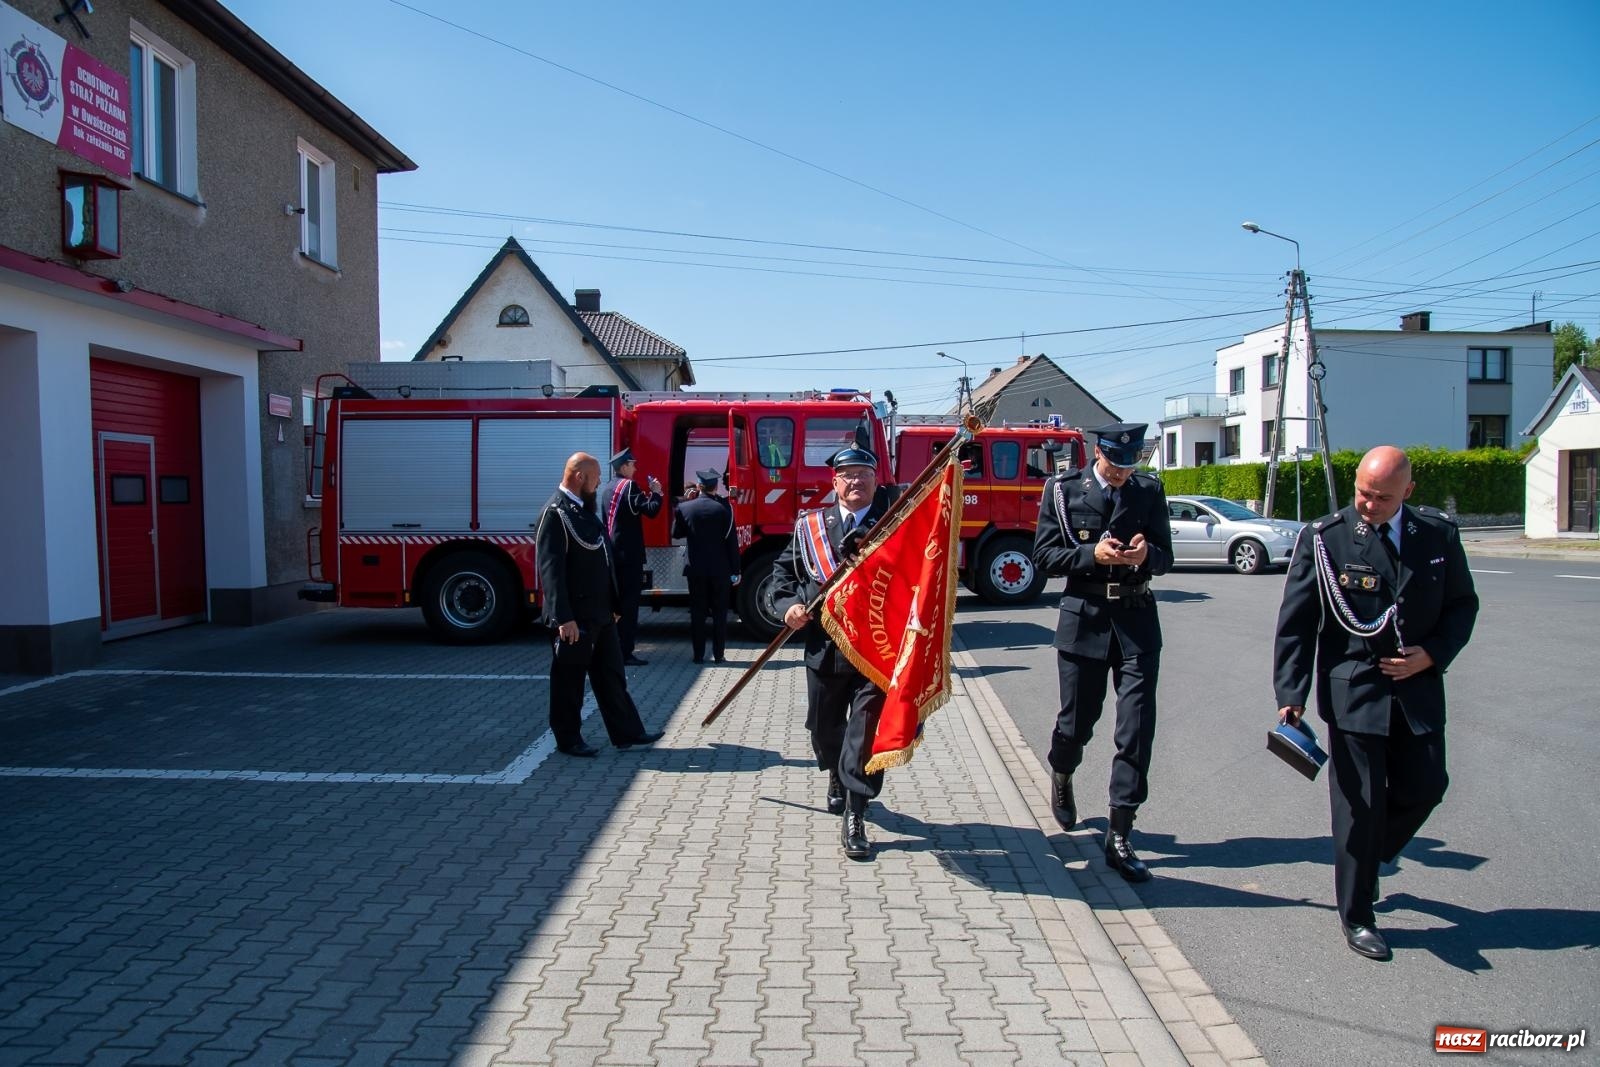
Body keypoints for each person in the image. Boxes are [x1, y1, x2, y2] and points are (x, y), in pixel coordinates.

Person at [1274, 445, 1478, 961]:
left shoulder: (1437, 534)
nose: (1369, 504)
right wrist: (1290, 696)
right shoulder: (1325, 539)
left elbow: (1462, 605)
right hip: (1355, 691)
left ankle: (1368, 860)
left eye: (1383, 497)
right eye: (1363, 492)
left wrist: (1431, 655)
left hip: (1418, 689)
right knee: (1359, 809)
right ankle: (1358, 913)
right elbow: (1298, 623)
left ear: (1407, 492)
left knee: (1428, 785)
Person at [1031, 422, 1172, 883]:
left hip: (1136, 623)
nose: (1121, 475)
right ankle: (1062, 772)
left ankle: (1120, 830)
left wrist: (1145, 555)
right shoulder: (1063, 489)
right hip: (1085, 619)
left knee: (1135, 729)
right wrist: (1095, 555)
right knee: (1077, 723)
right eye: (1115, 465)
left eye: (1130, 467)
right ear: (1098, 452)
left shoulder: (1148, 490)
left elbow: (1166, 557)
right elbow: (1045, 557)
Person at [772, 446, 893, 861]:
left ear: (876, 480)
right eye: (848, 475)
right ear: (834, 482)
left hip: (876, 649)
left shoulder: (895, 523)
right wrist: (785, 605)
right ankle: (837, 777)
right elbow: (782, 574)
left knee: (863, 735)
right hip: (824, 646)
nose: (856, 482)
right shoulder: (811, 526)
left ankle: (856, 813)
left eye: (864, 474)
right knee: (822, 729)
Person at [535, 452, 664, 758]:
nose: (597, 485)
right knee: (570, 682)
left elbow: (604, 561)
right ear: (579, 477)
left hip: (602, 613)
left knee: (612, 676)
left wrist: (615, 604)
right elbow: (550, 571)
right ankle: (568, 739)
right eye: (594, 480)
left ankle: (627, 732)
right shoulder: (556, 513)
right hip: (574, 618)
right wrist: (563, 617)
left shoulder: (583, 510)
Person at [672, 468, 741, 664]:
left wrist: (683, 505)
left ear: (699, 486)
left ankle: (698, 655)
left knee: (697, 612)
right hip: (720, 569)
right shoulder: (725, 508)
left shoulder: (685, 508)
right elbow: (731, 542)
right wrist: (736, 570)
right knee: (720, 613)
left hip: (696, 569)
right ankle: (718, 655)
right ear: (716, 486)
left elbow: (676, 533)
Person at [602, 447, 663, 666]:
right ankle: (624, 652)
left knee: (614, 606)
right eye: (633, 464)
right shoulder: (629, 486)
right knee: (628, 607)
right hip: (629, 557)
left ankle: (612, 649)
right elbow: (651, 510)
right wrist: (656, 492)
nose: (635, 468)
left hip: (613, 555)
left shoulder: (608, 488)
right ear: (625, 466)